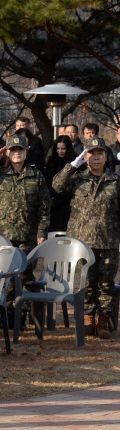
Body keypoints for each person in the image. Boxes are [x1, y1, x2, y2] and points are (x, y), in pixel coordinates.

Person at [52, 136, 119, 339]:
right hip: (82, 242)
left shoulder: (116, 181)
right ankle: (87, 318)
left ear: (106, 157)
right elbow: (57, 186)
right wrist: (73, 165)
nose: (96, 158)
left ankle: (103, 321)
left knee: (106, 284)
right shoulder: (77, 179)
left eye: (100, 153)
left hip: (109, 241)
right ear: (85, 156)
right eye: (91, 153)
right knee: (86, 283)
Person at [0, 133, 51, 312]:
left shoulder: (36, 176)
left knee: (24, 275)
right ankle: (6, 313)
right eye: (13, 150)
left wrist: (41, 233)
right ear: (7, 152)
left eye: (20, 149)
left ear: (26, 152)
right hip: (2, 237)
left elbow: (44, 208)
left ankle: (20, 313)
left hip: (27, 237)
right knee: (5, 276)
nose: (17, 153)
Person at [45, 136, 77, 233]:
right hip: (54, 204)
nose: (60, 151)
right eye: (58, 148)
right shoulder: (51, 162)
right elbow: (47, 181)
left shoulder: (75, 162)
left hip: (69, 203)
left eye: (63, 148)